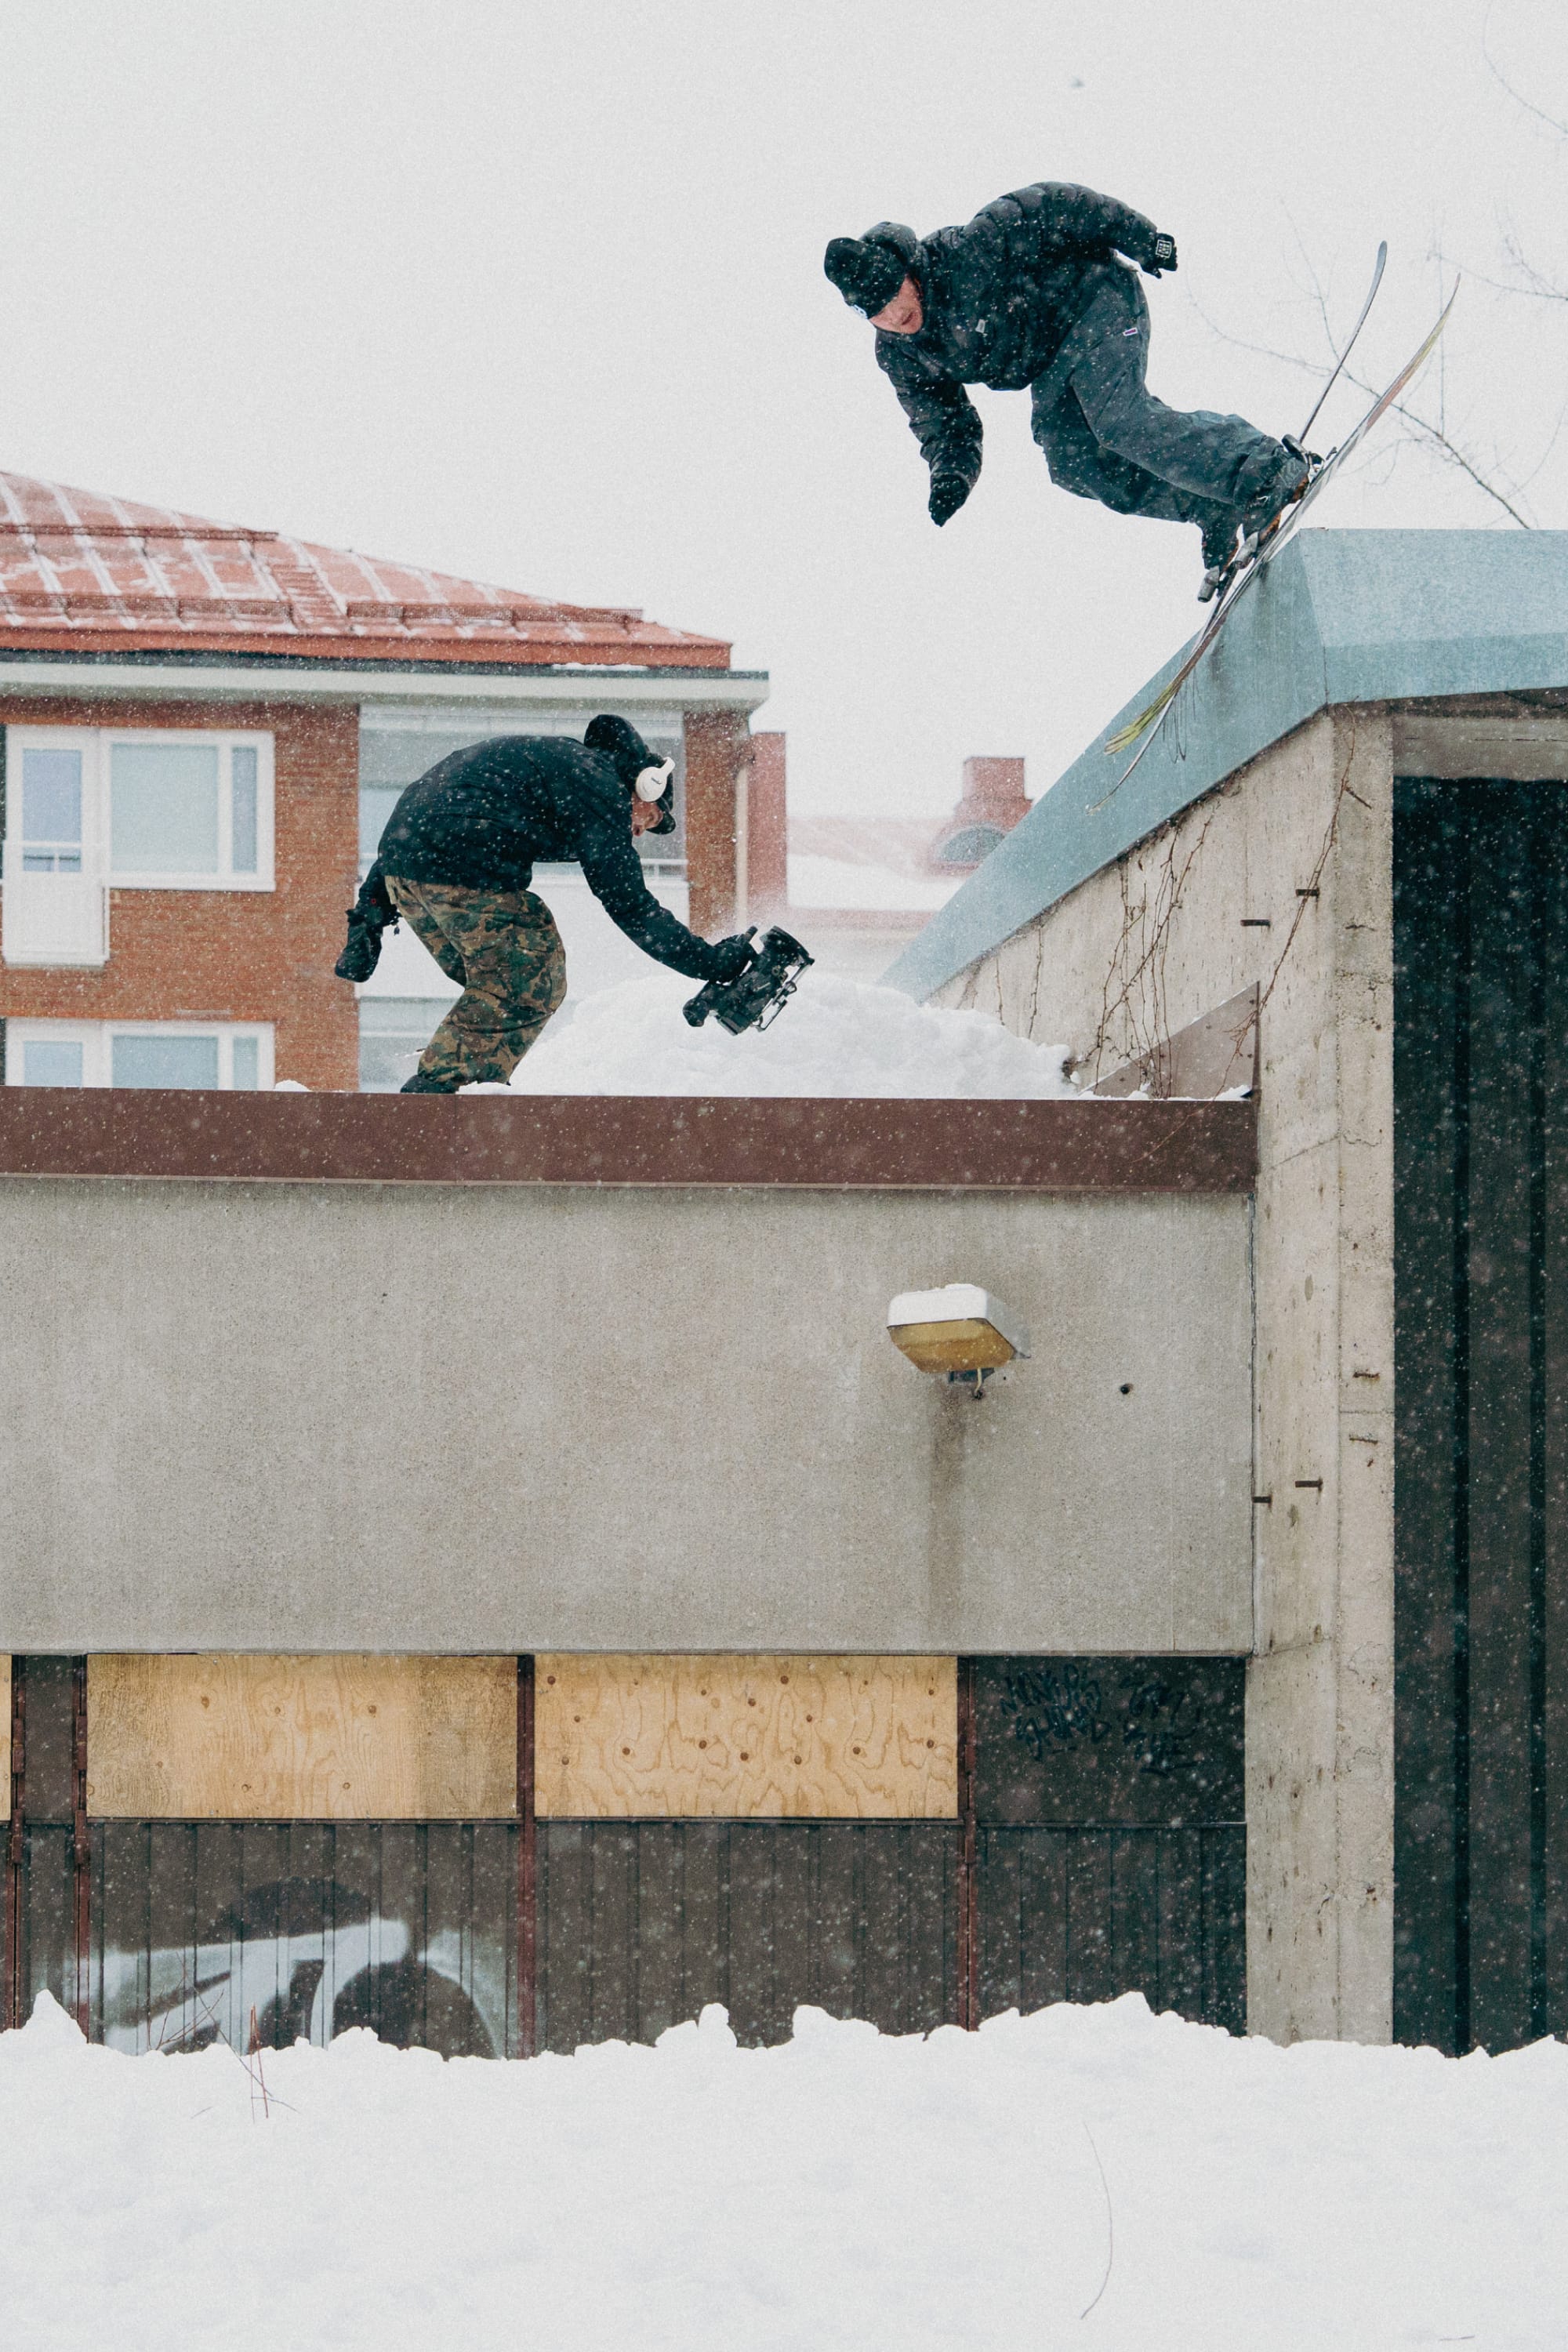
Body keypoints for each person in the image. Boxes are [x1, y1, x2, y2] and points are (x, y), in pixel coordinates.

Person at [824, 182, 1311, 597]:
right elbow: (943, 422)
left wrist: (1143, 239)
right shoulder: (899, 352)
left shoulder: (971, 249)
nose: (894, 315)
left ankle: (1267, 467)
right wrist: (951, 474)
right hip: (1053, 362)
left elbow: (1061, 206)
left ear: (909, 270)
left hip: (1095, 300)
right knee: (1073, 464)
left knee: (1118, 420)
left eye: (894, 294)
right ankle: (1213, 503)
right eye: (875, 310)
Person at [337, 713, 754, 1092]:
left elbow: (417, 827)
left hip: (407, 876)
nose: (640, 833)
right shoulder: (600, 784)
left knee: (494, 981)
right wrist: (712, 963)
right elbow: (630, 905)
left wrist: (368, 916)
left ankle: (454, 1070)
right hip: (459, 868)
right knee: (530, 977)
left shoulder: (562, 764)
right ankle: (444, 1091)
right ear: (647, 786)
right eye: (650, 819)